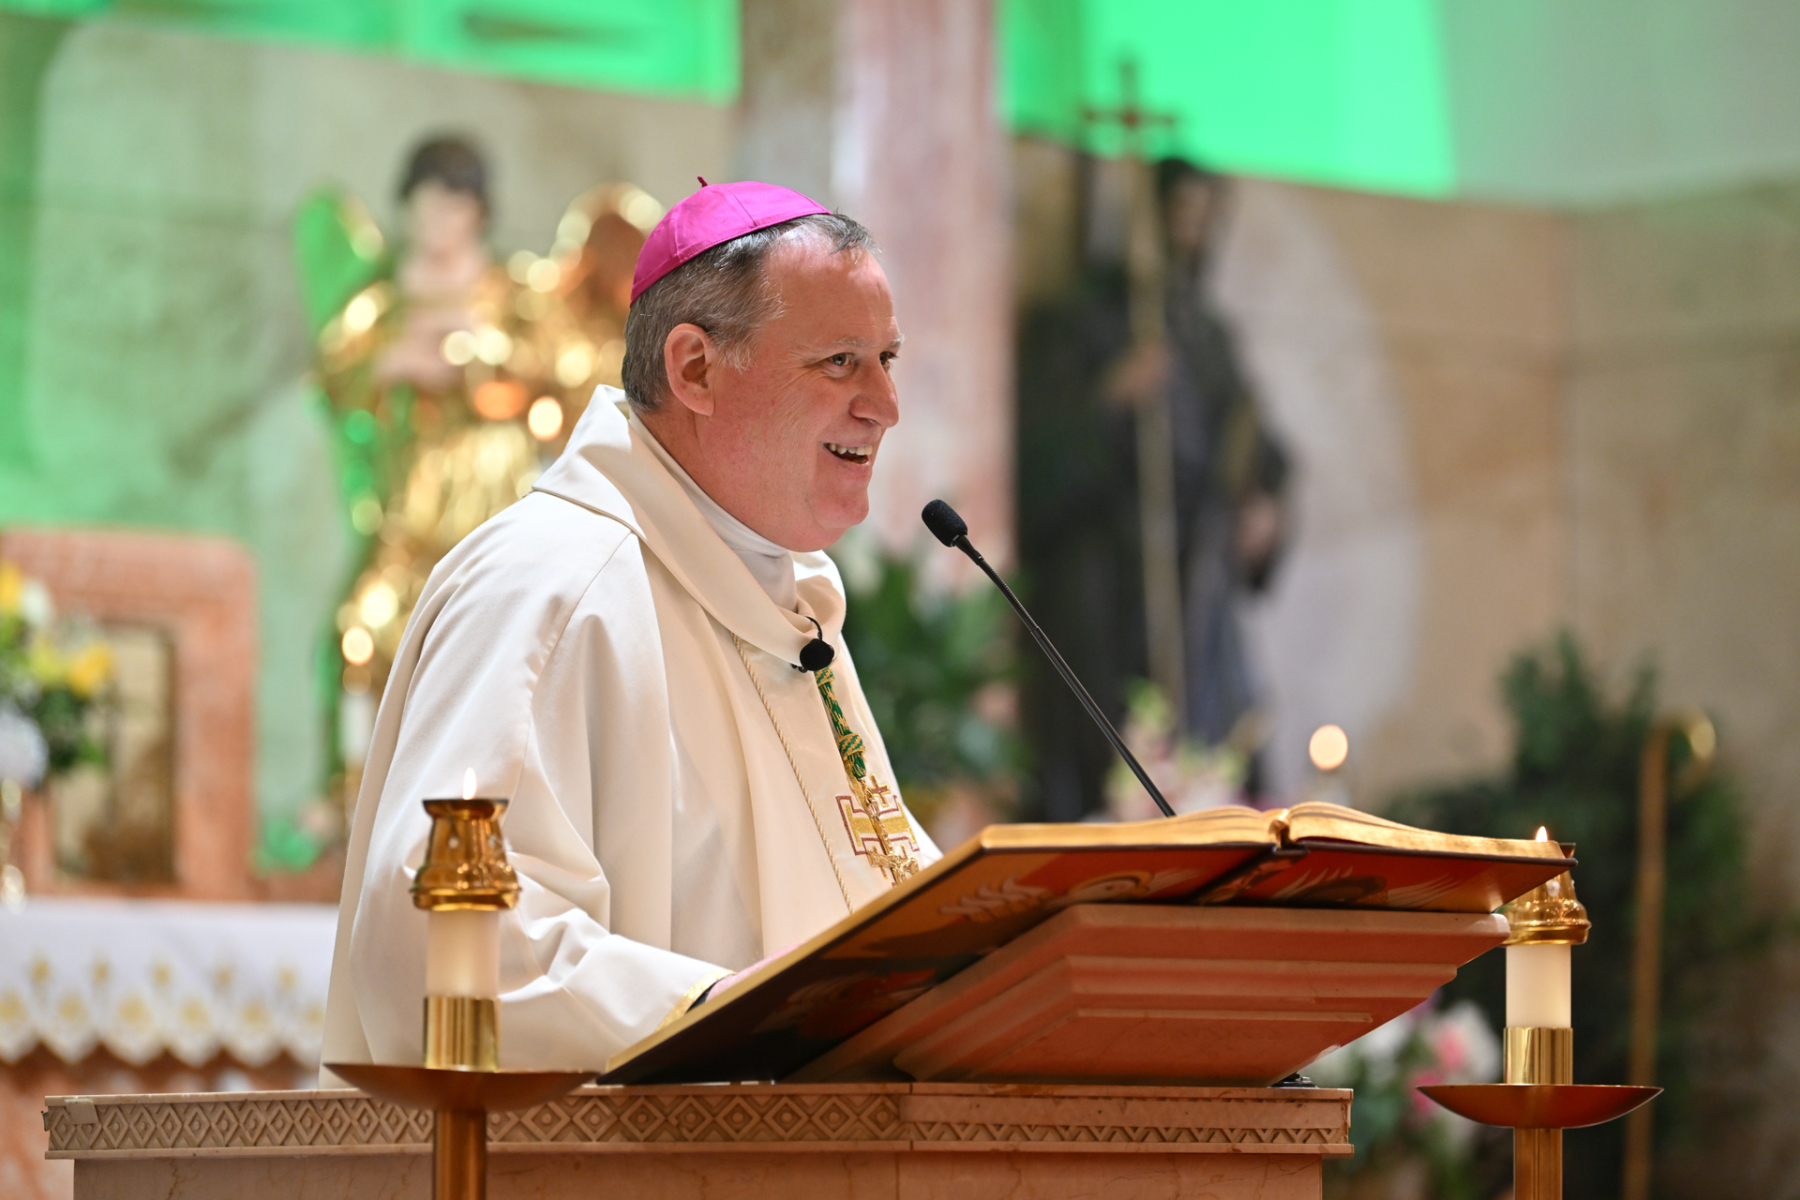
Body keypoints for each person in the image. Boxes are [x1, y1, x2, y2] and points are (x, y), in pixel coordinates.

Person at [321, 181, 939, 1073]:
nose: (884, 403)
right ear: (694, 370)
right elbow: (441, 940)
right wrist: (730, 1019)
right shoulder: (550, 587)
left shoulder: (790, 607)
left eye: (887, 358)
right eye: (839, 362)